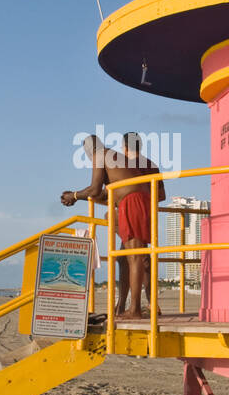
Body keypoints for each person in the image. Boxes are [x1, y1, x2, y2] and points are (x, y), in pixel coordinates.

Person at [62, 133, 164, 318]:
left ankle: (134, 310)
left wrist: (74, 196)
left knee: (135, 257)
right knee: (126, 257)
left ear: (88, 151)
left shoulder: (100, 155)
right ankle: (129, 306)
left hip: (132, 202)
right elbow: (108, 192)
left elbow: (94, 189)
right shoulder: (121, 159)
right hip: (139, 203)